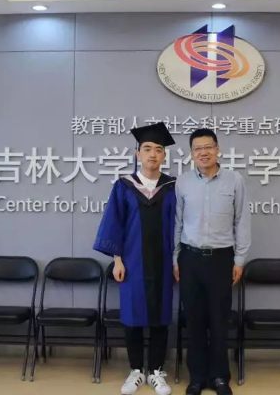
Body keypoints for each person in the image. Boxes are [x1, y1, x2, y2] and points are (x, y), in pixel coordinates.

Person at [93, 122, 177, 395]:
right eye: (147, 149)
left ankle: (156, 371)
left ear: (164, 156)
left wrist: (178, 261)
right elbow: (115, 224)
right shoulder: (124, 186)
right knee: (132, 315)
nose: (153, 154)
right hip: (132, 262)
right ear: (138, 154)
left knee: (161, 316)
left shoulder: (173, 187)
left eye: (159, 150)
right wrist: (117, 260)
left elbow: (181, 226)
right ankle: (136, 370)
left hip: (164, 261)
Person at [173, 128, 252, 395]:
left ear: (218, 149)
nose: (203, 152)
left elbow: (242, 221)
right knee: (194, 320)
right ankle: (196, 377)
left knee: (219, 320)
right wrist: (175, 258)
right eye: (198, 148)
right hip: (190, 258)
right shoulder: (183, 182)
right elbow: (177, 222)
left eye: (208, 147)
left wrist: (239, 259)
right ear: (191, 154)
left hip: (221, 259)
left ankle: (219, 377)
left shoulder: (234, 180)